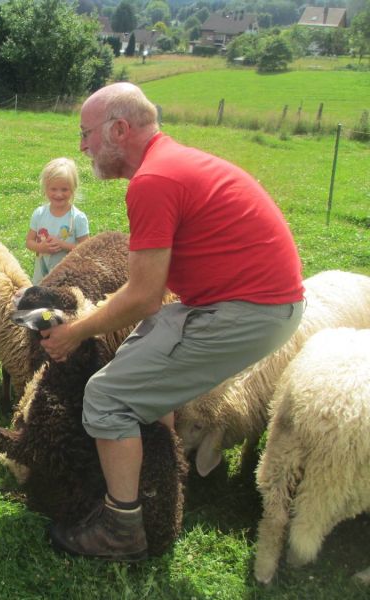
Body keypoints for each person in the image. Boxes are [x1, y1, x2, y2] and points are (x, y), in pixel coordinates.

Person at [42, 83, 304, 561]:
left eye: (86, 134)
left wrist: (76, 331)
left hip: (249, 310)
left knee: (107, 394)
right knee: (140, 354)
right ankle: (156, 476)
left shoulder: (153, 181)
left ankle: (122, 526)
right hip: (245, 301)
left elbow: (143, 297)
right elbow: (153, 296)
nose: (82, 146)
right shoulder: (169, 164)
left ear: (119, 130)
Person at [25, 157, 90, 284]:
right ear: (45, 188)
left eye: (64, 189)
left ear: (73, 189)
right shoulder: (39, 214)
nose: (59, 194)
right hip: (41, 279)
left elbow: (86, 249)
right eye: (53, 189)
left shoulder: (77, 218)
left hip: (68, 279)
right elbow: (29, 242)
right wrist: (41, 247)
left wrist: (63, 245)